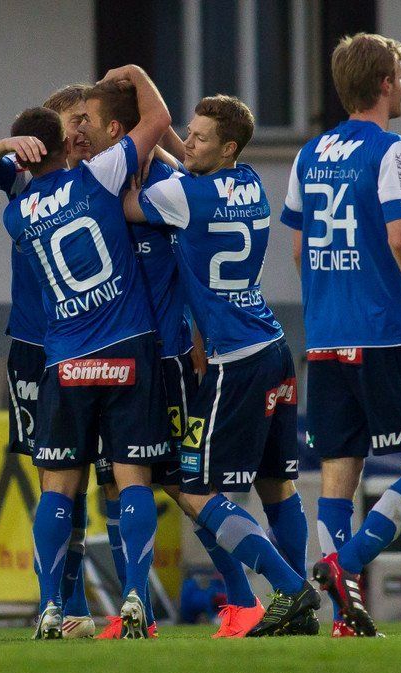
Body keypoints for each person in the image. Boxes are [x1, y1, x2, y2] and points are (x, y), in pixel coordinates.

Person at [281, 33, 401, 637]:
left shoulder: (308, 154)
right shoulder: (390, 149)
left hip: (325, 338)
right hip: (383, 334)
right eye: (400, 77)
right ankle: (345, 563)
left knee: (338, 471)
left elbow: (300, 250)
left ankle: (345, 619)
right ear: (384, 84)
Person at [124, 95, 318, 637]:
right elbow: (191, 171)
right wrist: (179, 149)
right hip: (274, 348)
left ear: (228, 147)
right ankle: (299, 610)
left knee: (195, 491)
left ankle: (289, 588)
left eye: (200, 137)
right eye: (187, 133)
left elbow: (128, 204)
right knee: (277, 486)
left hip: (235, 362)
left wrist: (141, 128)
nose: (187, 143)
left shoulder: (184, 196)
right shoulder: (250, 181)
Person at [80, 80, 265, 639]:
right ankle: (134, 608)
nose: (81, 134)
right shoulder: (139, 181)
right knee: (115, 484)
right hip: (121, 359)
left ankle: (244, 598)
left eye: (87, 123)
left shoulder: (166, 190)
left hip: (168, 358)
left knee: (186, 488)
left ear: (118, 129)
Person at [2, 64, 172, 640]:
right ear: (62, 141)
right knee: (132, 480)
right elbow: (158, 119)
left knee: (57, 489)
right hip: (126, 346)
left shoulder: (15, 213)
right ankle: (135, 598)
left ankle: (52, 607)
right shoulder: (100, 176)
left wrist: (4, 149)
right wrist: (137, 74)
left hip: (65, 358)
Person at [0, 85, 98, 638]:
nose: (78, 131)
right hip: (32, 345)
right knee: (54, 476)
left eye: (85, 120)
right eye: (71, 122)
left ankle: (73, 604)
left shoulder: (96, 180)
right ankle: (64, 602)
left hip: (87, 341)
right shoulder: (22, 183)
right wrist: (7, 143)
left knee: (80, 477)